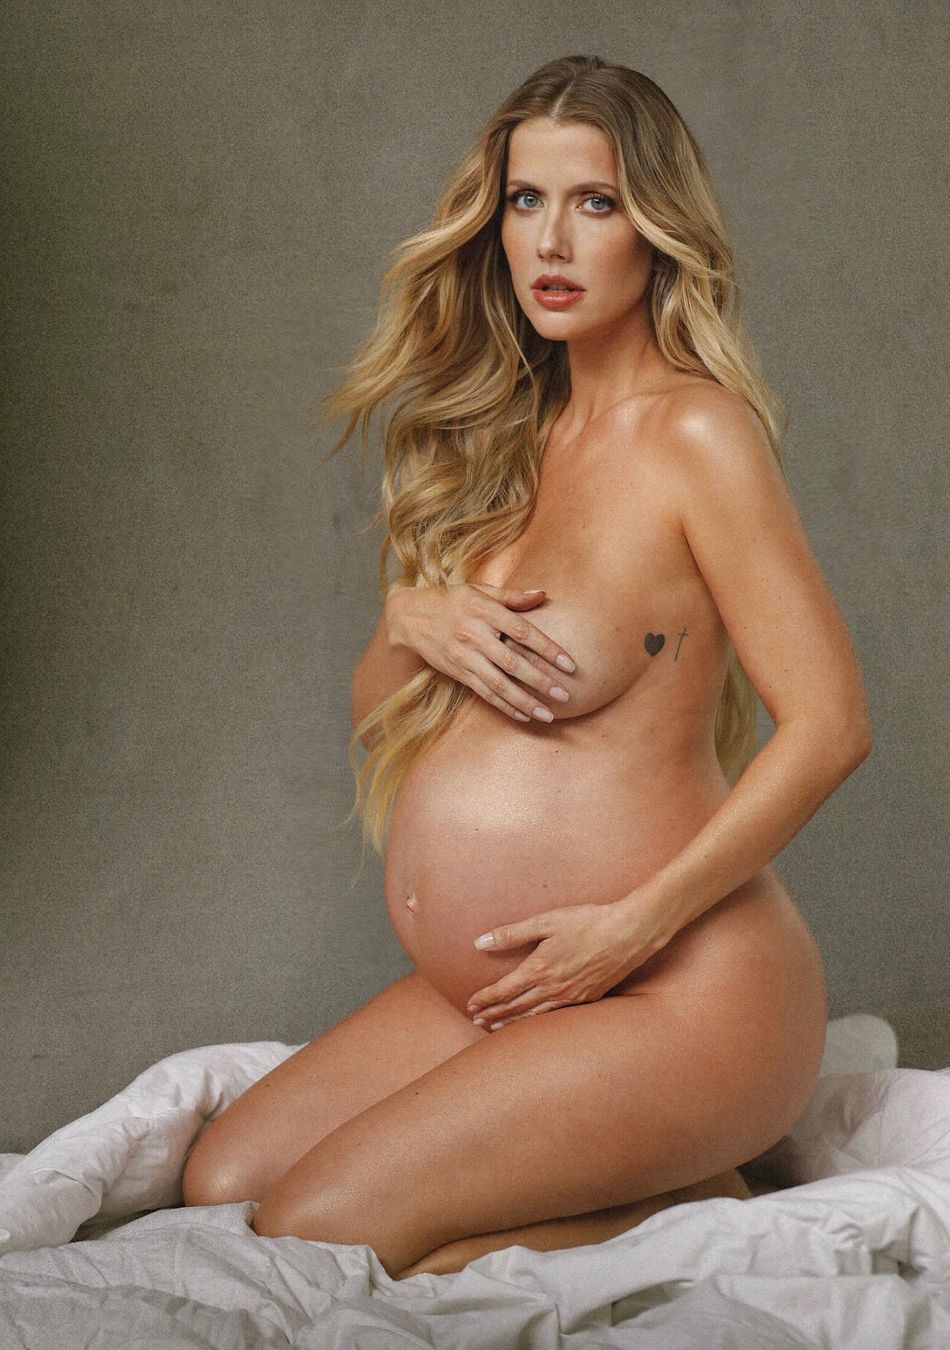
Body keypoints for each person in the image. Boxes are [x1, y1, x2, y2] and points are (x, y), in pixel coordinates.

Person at [181, 54, 872, 1280]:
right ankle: (654, 1173)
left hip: (675, 994)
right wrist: (413, 620)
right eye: (525, 200)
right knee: (222, 1180)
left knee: (313, 1232)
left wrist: (628, 930)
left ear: (656, 228)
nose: (552, 240)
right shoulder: (507, 437)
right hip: (513, 994)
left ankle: (689, 1187)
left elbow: (830, 725)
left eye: (596, 202)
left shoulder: (697, 434)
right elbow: (377, 721)